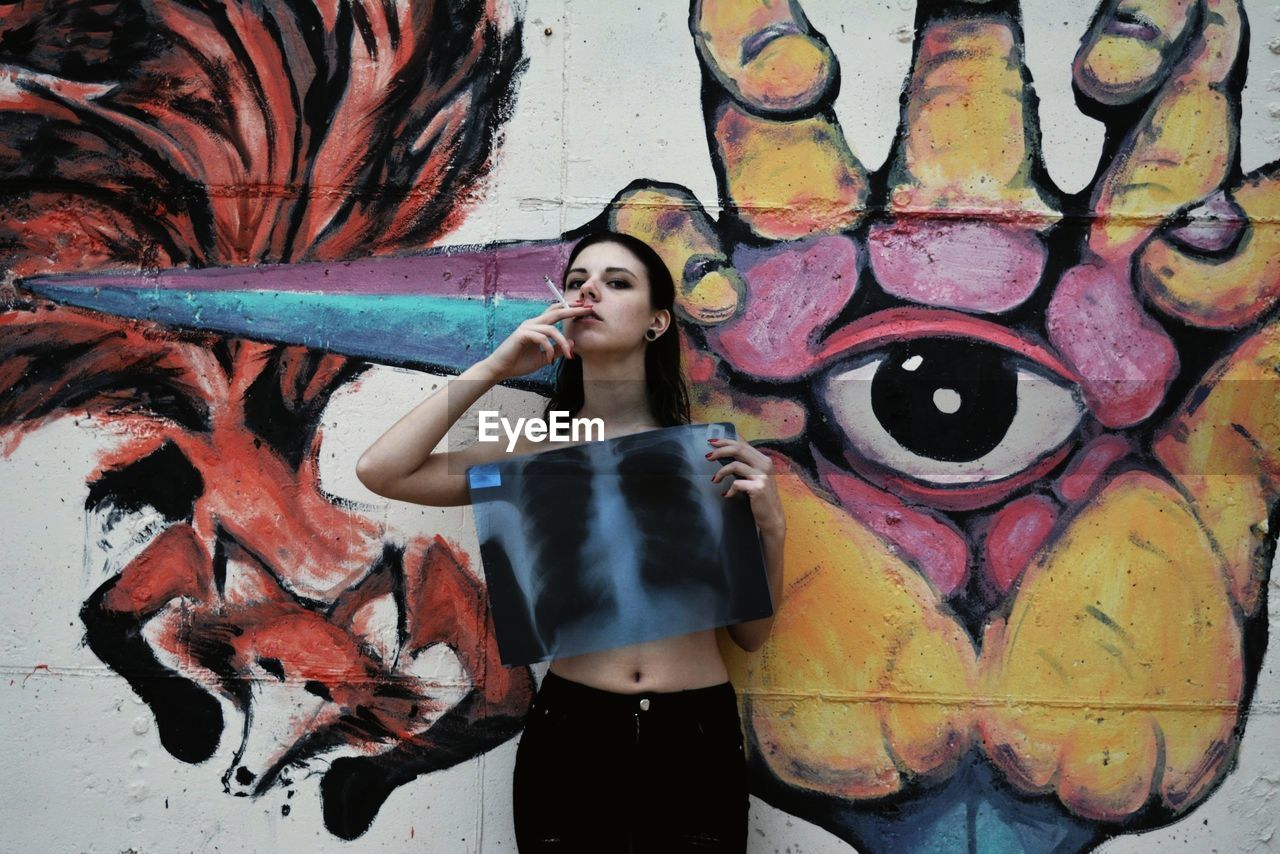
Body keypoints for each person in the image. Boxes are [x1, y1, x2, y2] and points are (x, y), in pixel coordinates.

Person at [355, 230, 786, 852]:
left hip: (695, 733)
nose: (591, 292)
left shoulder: (709, 458)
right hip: (575, 728)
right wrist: (494, 367)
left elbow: (752, 634)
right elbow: (383, 470)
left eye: (618, 282)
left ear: (657, 321)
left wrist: (771, 527)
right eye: (580, 279)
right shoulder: (535, 447)